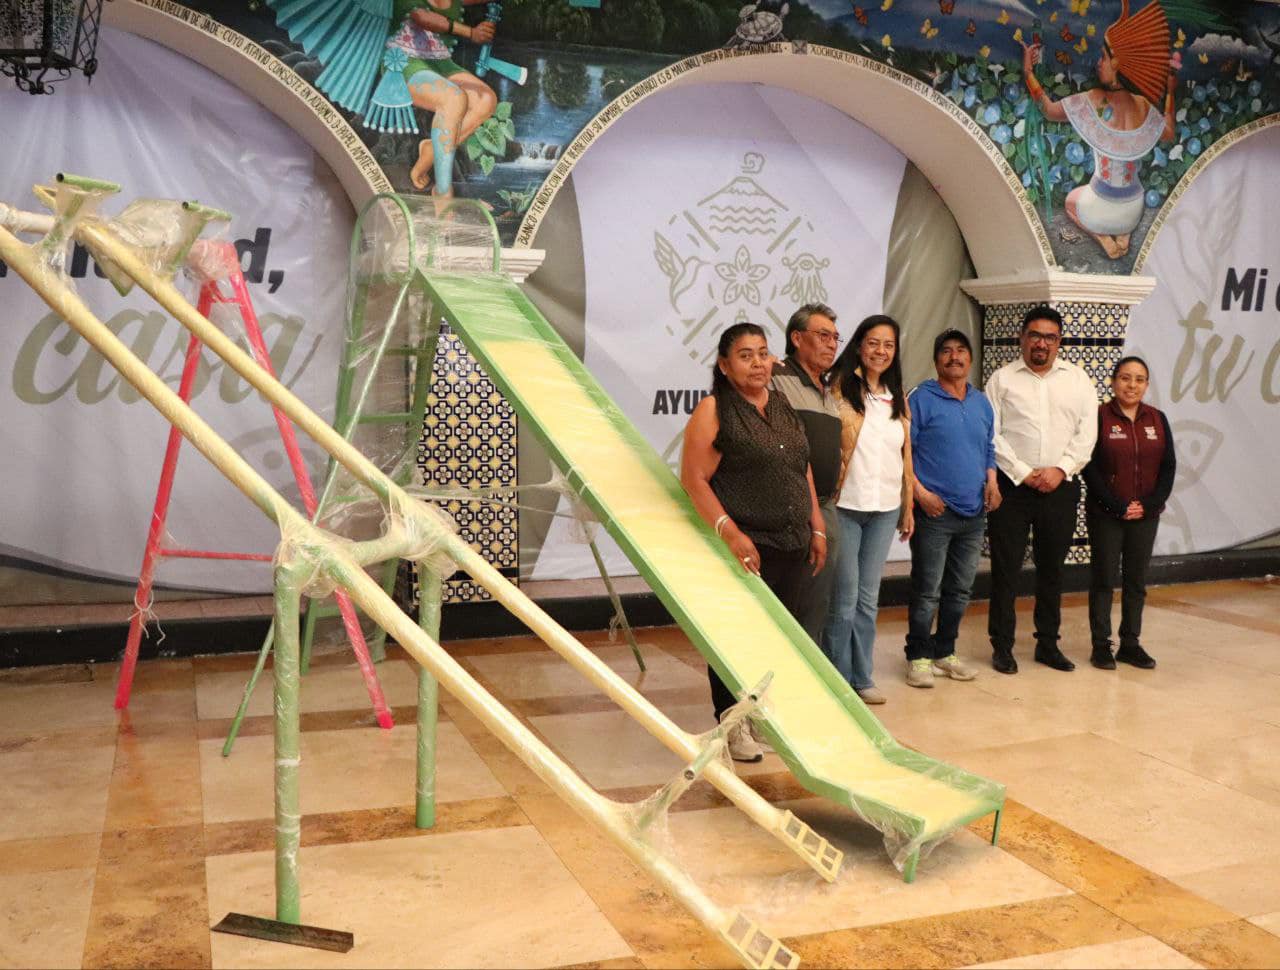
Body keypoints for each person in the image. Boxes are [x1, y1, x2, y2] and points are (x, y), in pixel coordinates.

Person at [681, 322, 827, 761]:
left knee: (776, 638)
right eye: (745, 356)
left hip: (793, 542)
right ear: (725, 365)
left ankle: (760, 715)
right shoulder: (714, 409)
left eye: (763, 353)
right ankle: (731, 723)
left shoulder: (780, 403)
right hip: (745, 546)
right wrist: (731, 532)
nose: (758, 363)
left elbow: (802, 468)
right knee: (736, 636)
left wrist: (817, 525)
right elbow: (694, 479)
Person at [1020, 0, 1180, 260]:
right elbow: (1170, 132)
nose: (1098, 63)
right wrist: (1171, 93)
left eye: (1104, 58)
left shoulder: (1094, 98)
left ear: (1117, 63)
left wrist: (1028, 71)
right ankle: (1124, 234)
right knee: (1119, 198)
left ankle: (1104, 238)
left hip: (1099, 209)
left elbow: (1048, 110)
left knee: (1072, 200)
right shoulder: (1143, 105)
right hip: (1134, 209)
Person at [985, 305, 1098, 674]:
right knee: (1006, 570)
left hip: (1060, 487)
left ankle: (1047, 644)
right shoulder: (1001, 379)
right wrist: (1023, 472)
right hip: (1013, 488)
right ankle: (1002, 646)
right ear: (1022, 338)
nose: (1041, 343)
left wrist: (1060, 469)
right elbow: (991, 433)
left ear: (1059, 342)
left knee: (1052, 570)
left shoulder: (1078, 380)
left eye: (1050, 337)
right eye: (1034, 335)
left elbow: (1087, 434)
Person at [822, 315, 914, 705]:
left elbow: (905, 456)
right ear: (859, 345)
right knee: (844, 600)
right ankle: (836, 680)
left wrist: (907, 508)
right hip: (846, 506)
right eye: (874, 343)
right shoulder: (838, 388)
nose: (881, 351)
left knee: (867, 599)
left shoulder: (897, 395)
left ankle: (862, 677)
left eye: (888, 345)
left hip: (884, 508)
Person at [903, 330, 1000, 688]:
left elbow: (988, 447)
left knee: (959, 590)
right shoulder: (920, 398)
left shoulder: (981, 402)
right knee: (927, 590)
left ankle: (945, 652)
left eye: (961, 351)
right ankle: (918, 657)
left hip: (973, 513)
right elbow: (903, 451)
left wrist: (992, 480)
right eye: (946, 351)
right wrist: (920, 494)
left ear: (970, 359)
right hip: (934, 513)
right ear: (936, 360)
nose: (954, 357)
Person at [1083, 356, 1175, 669]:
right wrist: (1117, 505)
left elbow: (1168, 467)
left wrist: (1147, 505)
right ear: (1113, 382)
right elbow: (1089, 467)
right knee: (1104, 579)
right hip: (1106, 514)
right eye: (1125, 378)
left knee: (1136, 581)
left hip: (1145, 516)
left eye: (1139, 379)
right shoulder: (1099, 417)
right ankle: (1101, 645)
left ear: (1146, 385)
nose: (1132, 385)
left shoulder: (1158, 419)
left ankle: (1130, 644)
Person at [771, 304, 844, 645]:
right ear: (797, 338)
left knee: (817, 602)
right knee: (787, 605)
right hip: (788, 509)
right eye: (823, 335)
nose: (831, 344)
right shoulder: (776, 376)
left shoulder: (827, 389)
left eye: (835, 338)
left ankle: (809, 670)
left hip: (826, 505)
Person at [376, 0, 500, 194]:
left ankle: (432, 149)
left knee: (485, 100)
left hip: (440, 64)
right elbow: (422, 17)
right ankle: (442, 191)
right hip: (404, 63)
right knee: (453, 99)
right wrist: (471, 32)